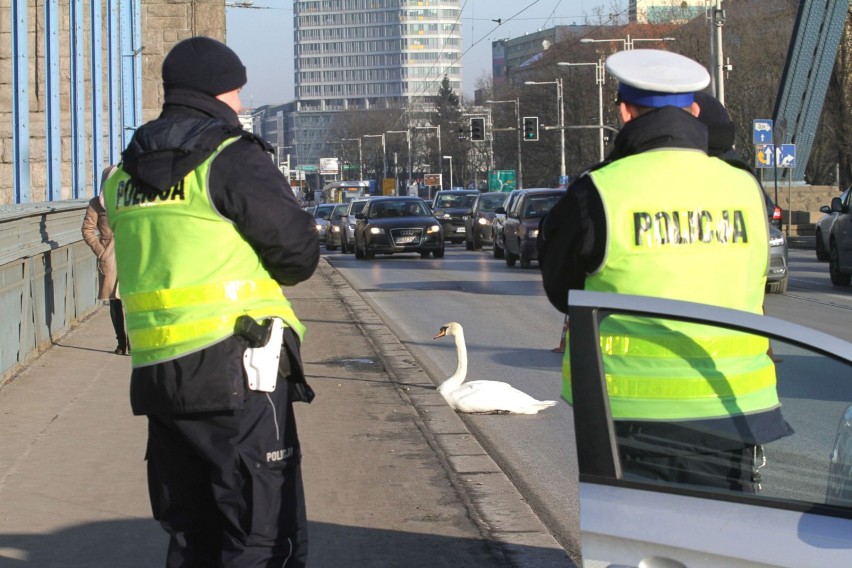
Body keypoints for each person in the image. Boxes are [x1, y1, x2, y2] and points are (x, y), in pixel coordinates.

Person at [102, 37, 319, 566]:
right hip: (238, 368)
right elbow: (298, 255)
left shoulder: (123, 176)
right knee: (260, 534)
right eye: (237, 91)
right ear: (218, 93)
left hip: (159, 375)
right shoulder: (230, 158)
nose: (241, 104)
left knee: (190, 534)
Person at [537, 49, 791, 492]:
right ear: (695, 110)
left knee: (638, 550)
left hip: (632, 417)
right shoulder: (747, 188)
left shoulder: (598, 192)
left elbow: (563, 293)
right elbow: (758, 277)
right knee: (723, 547)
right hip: (737, 407)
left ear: (623, 111)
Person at [81, 165, 128, 355]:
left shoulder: (131, 201)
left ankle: (133, 341)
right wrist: (101, 252)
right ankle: (121, 342)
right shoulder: (96, 204)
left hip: (131, 252)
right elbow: (87, 230)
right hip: (110, 256)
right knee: (115, 300)